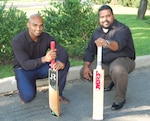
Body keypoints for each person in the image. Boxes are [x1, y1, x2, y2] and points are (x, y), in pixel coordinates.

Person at [80, 5, 135, 110]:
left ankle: (120, 98)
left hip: (123, 59)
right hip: (105, 61)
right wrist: (86, 66)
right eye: (102, 17)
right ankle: (109, 81)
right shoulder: (96, 32)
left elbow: (117, 45)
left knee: (117, 69)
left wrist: (106, 43)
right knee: (85, 71)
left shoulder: (122, 29)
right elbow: (90, 51)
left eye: (108, 16)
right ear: (99, 19)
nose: (105, 19)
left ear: (113, 16)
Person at [11, 14, 70, 104]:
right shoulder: (18, 41)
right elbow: (25, 64)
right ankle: (27, 85)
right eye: (35, 25)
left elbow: (62, 51)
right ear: (28, 25)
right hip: (24, 70)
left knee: (63, 63)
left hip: (41, 68)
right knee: (28, 97)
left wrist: (62, 62)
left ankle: (58, 94)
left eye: (41, 25)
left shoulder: (46, 37)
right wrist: (44, 59)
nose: (38, 29)